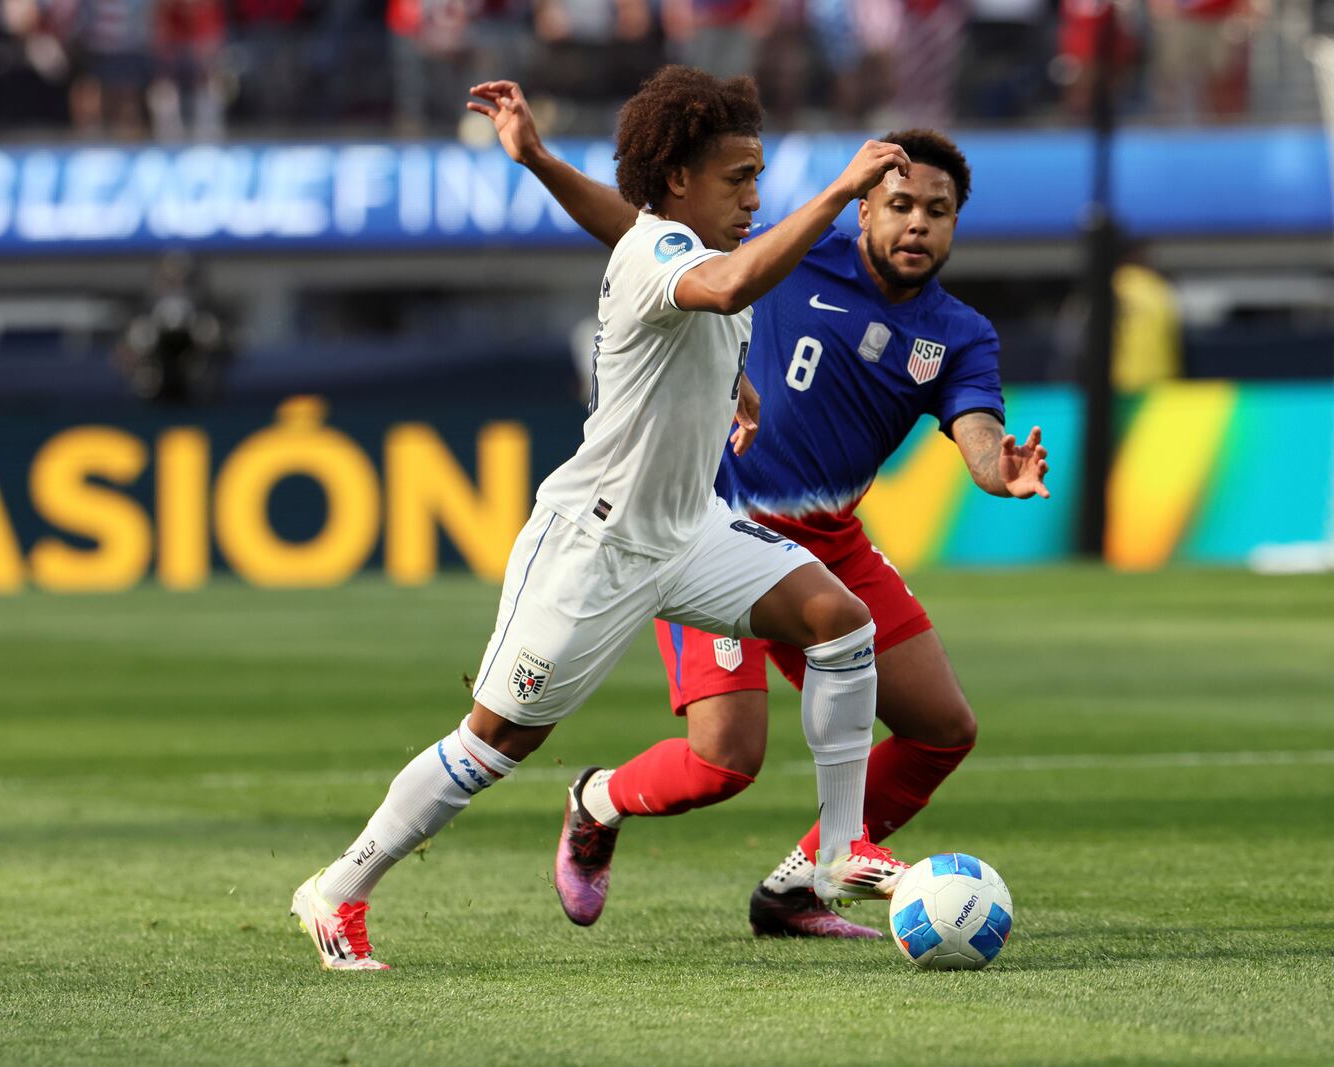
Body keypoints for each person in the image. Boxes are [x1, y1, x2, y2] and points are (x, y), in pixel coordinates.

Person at [291, 66, 914, 971]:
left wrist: (539, 159)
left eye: (758, 176)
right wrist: (839, 192)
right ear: (678, 182)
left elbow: (635, 239)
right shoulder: (670, 253)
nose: (753, 194)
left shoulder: (665, 239)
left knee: (837, 620)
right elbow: (730, 284)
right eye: (738, 178)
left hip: (687, 530)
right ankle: (339, 888)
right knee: (496, 742)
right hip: (596, 542)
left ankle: (837, 848)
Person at [468, 79, 1050, 938]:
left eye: (939, 209)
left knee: (942, 728)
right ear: (864, 210)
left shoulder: (960, 332)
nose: (918, 222)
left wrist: (995, 470)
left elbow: (976, 427)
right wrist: (541, 160)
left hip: (831, 544)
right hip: (716, 525)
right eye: (900, 203)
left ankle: (799, 885)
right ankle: (596, 798)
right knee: (725, 762)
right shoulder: (787, 251)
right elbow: (634, 237)